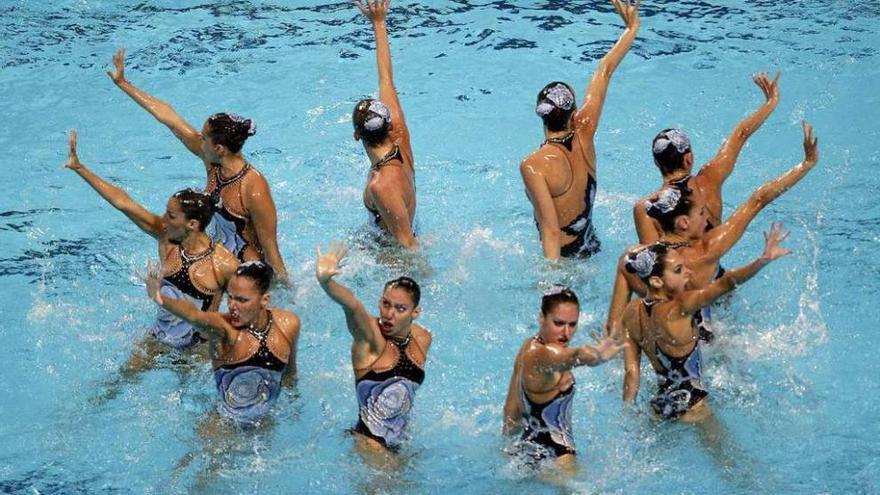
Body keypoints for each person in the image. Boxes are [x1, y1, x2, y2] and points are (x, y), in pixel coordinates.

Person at [607, 122, 818, 341]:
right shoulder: (707, 250)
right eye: (700, 214)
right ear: (684, 223)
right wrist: (807, 163)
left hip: (663, 324)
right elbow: (758, 199)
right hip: (702, 313)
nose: (704, 217)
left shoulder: (633, 259)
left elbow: (614, 327)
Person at [106, 48, 289, 284]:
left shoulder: (253, 188)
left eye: (203, 137)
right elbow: (170, 118)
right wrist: (124, 83)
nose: (198, 139)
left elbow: (271, 250)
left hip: (243, 276)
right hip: (214, 259)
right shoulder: (212, 160)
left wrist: (285, 296)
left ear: (219, 148)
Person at [64, 130, 238, 366]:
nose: (164, 219)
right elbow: (123, 203)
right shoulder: (166, 237)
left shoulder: (224, 265)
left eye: (171, 215)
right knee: (114, 386)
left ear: (192, 224)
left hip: (197, 352)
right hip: (159, 337)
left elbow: (244, 312)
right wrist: (80, 168)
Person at [620, 226, 789, 421]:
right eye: (678, 270)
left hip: (661, 405)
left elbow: (632, 373)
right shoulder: (679, 308)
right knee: (728, 452)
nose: (687, 273)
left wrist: (627, 416)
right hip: (694, 406)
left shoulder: (630, 313)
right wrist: (762, 260)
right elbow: (726, 283)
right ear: (657, 281)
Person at [521, 0, 639, 260]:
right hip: (591, 245)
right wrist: (631, 28)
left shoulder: (534, 166)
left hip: (563, 259)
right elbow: (605, 71)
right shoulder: (585, 130)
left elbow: (551, 232)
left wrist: (551, 284)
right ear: (573, 116)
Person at [633, 72, 781, 244]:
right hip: (713, 267)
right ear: (689, 159)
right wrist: (771, 102)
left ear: (656, 163)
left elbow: (652, 263)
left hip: (678, 270)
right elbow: (740, 134)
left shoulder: (645, 209)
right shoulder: (710, 181)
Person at [145, 260, 300, 424]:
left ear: (264, 300)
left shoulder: (289, 325)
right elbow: (194, 315)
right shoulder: (223, 331)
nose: (233, 306)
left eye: (242, 300)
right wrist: (159, 297)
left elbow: (290, 374)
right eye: (230, 297)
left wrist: (295, 405)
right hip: (224, 427)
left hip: (265, 422)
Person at [315, 241, 431, 452]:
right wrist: (326, 282)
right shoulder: (370, 339)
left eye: (400, 308)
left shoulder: (423, 339)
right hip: (369, 444)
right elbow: (352, 305)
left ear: (415, 313)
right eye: (385, 304)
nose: (389, 314)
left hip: (401, 443)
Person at [502, 287, 623, 470]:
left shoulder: (527, 348)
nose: (566, 333)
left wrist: (508, 449)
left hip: (528, 450)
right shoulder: (547, 354)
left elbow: (511, 411)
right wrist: (596, 356)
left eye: (572, 324)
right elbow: (573, 356)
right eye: (558, 323)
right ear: (541, 318)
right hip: (558, 458)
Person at [352, 0, 417, 249]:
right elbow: (386, 79)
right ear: (388, 125)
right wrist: (379, 23)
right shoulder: (400, 138)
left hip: (391, 259)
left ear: (357, 135)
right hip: (405, 227)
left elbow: (408, 246)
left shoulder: (382, 184)